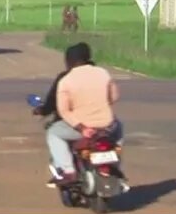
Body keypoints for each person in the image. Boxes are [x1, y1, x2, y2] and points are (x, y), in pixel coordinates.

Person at [45, 42, 124, 188]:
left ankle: (69, 171)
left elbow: (64, 110)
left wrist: (82, 128)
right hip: (107, 127)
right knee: (119, 127)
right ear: (88, 58)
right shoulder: (103, 73)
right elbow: (114, 97)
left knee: (53, 133)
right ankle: (116, 165)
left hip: (82, 130)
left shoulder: (66, 81)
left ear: (68, 61)